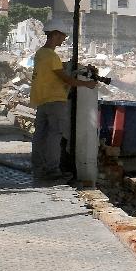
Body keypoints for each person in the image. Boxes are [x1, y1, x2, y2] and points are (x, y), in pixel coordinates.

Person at [30, 27, 96, 183]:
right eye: (62, 37)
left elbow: (54, 75)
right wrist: (87, 84)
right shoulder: (52, 56)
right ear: (54, 35)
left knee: (40, 135)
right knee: (55, 135)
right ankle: (52, 171)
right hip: (55, 100)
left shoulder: (40, 54)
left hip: (42, 100)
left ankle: (38, 167)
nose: (63, 40)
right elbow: (66, 80)